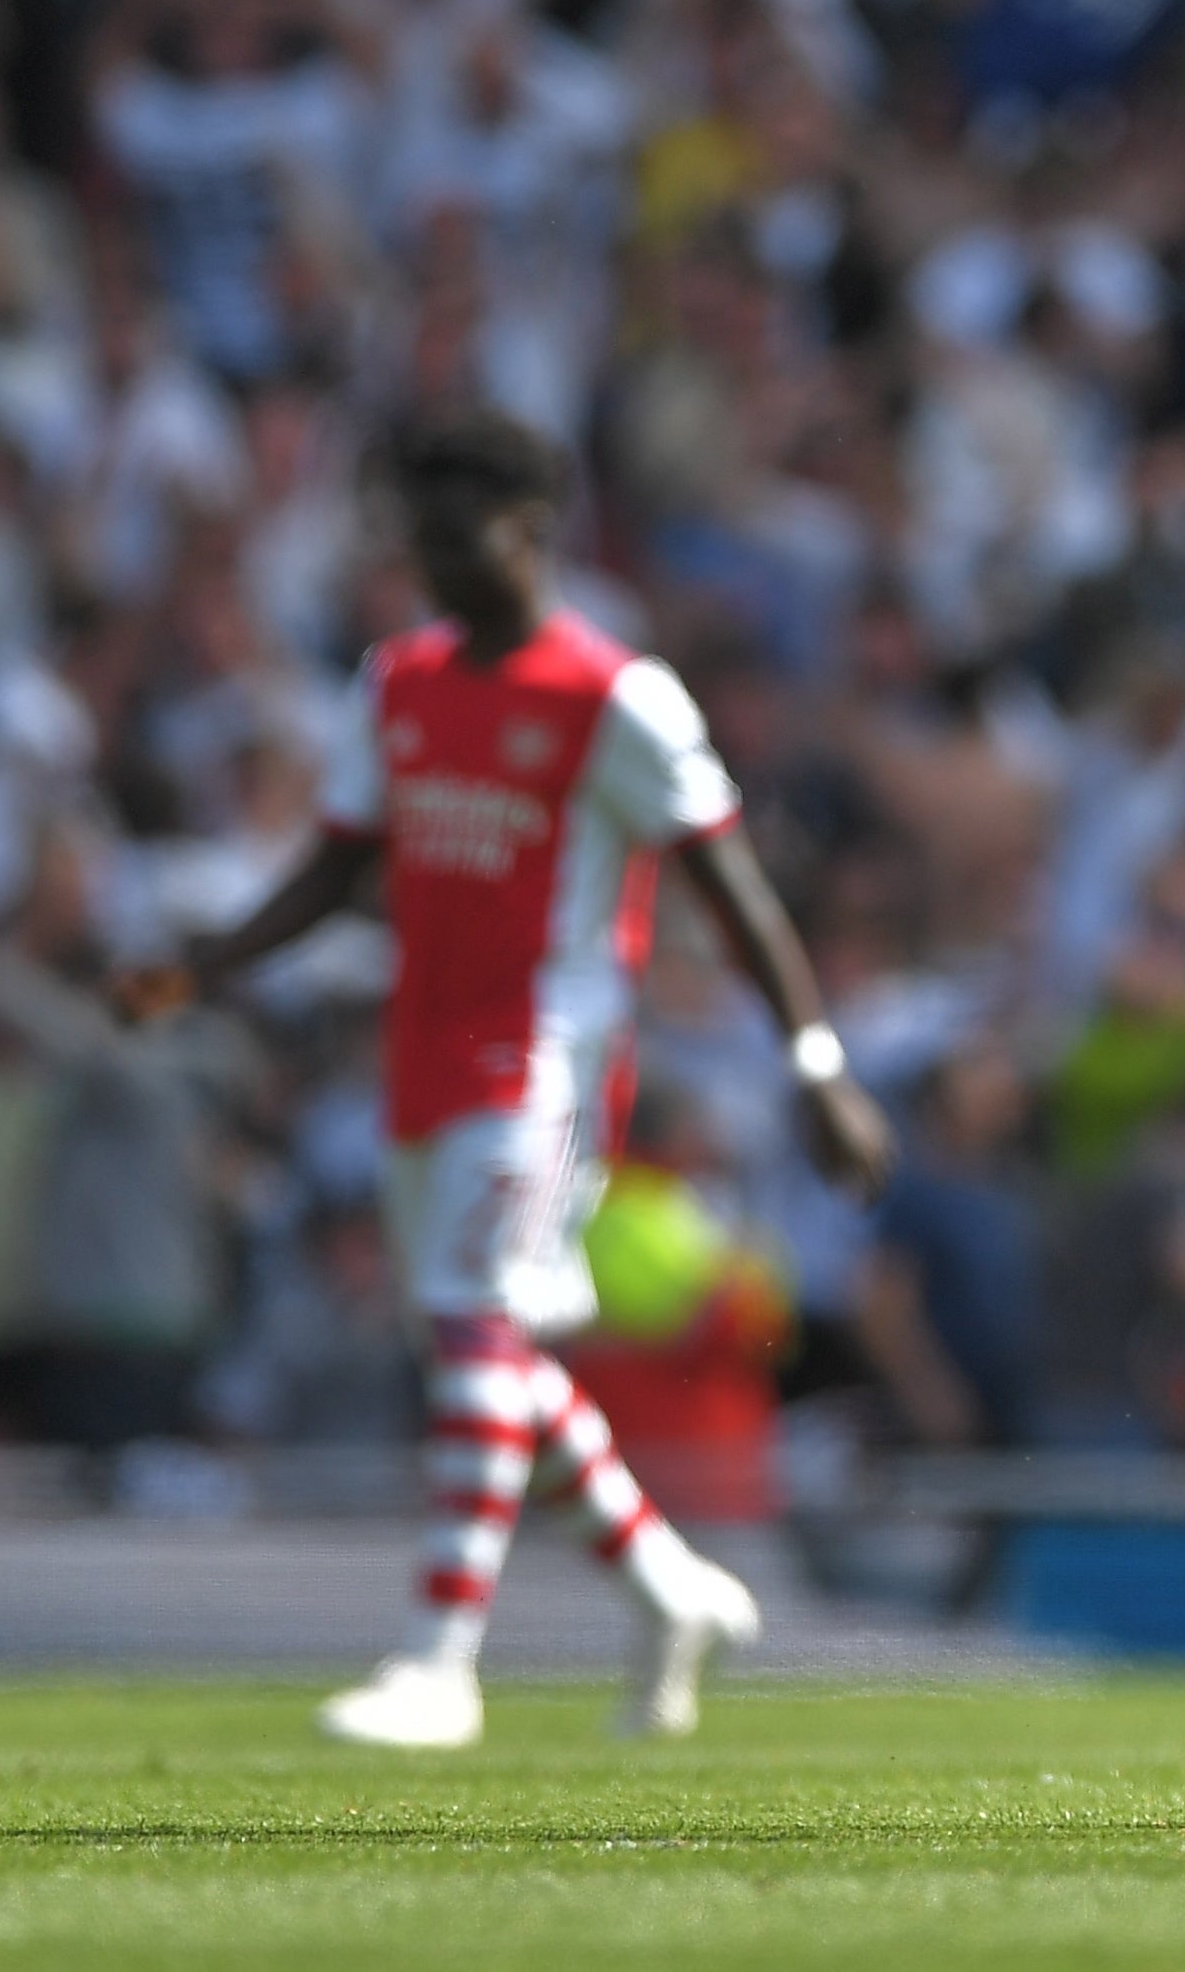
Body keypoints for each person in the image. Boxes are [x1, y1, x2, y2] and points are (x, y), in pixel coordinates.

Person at [114, 413, 893, 1747]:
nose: (430, 563)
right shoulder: (400, 681)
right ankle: (667, 1587)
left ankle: (438, 1660)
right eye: (415, 537)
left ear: (530, 531)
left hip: (543, 1060)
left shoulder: (616, 697)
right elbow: (338, 861)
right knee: (487, 1352)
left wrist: (817, 1063)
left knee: (478, 1329)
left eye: (453, 533)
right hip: (421, 1050)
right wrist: (207, 965)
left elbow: (737, 887)